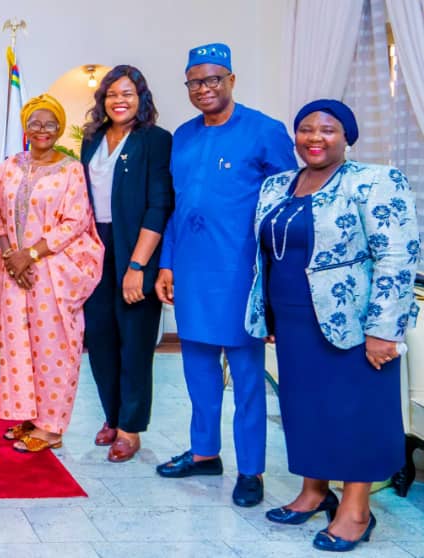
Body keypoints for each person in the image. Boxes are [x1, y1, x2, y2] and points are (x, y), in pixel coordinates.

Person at [246, 100, 418, 551]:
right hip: (293, 321)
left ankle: (357, 509)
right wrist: (265, 310)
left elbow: (397, 256)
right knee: (305, 408)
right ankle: (313, 491)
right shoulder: (278, 185)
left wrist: (385, 328)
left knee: (355, 411)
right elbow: (265, 256)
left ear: (348, 136)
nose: (315, 138)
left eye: (327, 129)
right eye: (305, 129)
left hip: (355, 323)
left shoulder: (376, 180)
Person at [154, 43, 297, 507]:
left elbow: (287, 210)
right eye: (196, 81)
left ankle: (251, 468)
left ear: (231, 80)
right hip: (192, 273)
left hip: (242, 273)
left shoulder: (264, 132)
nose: (205, 88)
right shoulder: (183, 136)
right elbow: (176, 207)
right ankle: (203, 453)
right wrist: (167, 263)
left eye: (214, 79)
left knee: (247, 377)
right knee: (197, 371)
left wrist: (278, 281)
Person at [0, 94, 104, 453]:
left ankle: (52, 426)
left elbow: (76, 220)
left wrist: (32, 255)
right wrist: (13, 257)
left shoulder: (71, 169)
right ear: (25, 126)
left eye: (49, 123)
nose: (41, 130)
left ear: (58, 128)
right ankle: (29, 415)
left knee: (55, 346)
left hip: (53, 272)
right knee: (18, 346)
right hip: (14, 272)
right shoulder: (9, 166)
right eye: (35, 123)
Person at [79, 65, 173, 463]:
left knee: (134, 343)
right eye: (113, 93)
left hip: (135, 249)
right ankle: (112, 416)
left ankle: (131, 428)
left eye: (128, 94)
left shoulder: (155, 140)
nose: (120, 100)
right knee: (99, 340)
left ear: (141, 99)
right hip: (95, 249)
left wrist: (137, 267)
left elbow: (159, 204)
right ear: (103, 99)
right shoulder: (91, 140)